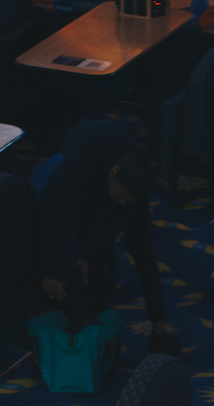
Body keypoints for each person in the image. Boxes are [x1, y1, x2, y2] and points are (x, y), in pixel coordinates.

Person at [31, 116, 181, 353]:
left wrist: (159, 325)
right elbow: (61, 220)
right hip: (80, 152)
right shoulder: (81, 165)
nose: (122, 203)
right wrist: (53, 273)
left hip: (115, 154)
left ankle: (143, 322)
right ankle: (83, 308)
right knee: (82, 237)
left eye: (127, 201)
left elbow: (144, 256)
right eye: (120, 196)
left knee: (123, 246)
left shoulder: (134, 185)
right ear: (112, 173)